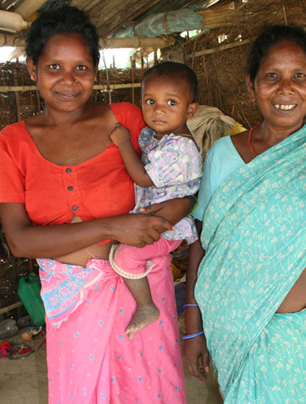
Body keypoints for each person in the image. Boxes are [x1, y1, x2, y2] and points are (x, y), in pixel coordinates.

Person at [0, 6, 189, 404]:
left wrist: (156, 226)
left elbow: (182, 185)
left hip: (143, 294)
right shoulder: (12, 141)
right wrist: (112, 228)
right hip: (73, 301)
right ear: (32, 69)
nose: (69, 81)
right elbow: (19, 241)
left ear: (96, 71)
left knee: (150, 391)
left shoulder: (128, 119)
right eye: (53, 67)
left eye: (81, 68)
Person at [184, 25, 306, 403]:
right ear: (251, 85)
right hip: (233, 331)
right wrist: (193, 329)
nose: (285, 89)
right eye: (272, 76)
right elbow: (202, 246)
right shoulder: (223, 155)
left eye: (299, 76)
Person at [108, 61, 201, 338]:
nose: (158, 110)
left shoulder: (180, 148)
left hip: (169, 226)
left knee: (124, 257)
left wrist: (123, 143)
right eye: (150, 101)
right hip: (156, 219)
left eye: (171, 102)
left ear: (191, 109)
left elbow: (143, 178)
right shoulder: (158, 135)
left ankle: (147, 306)